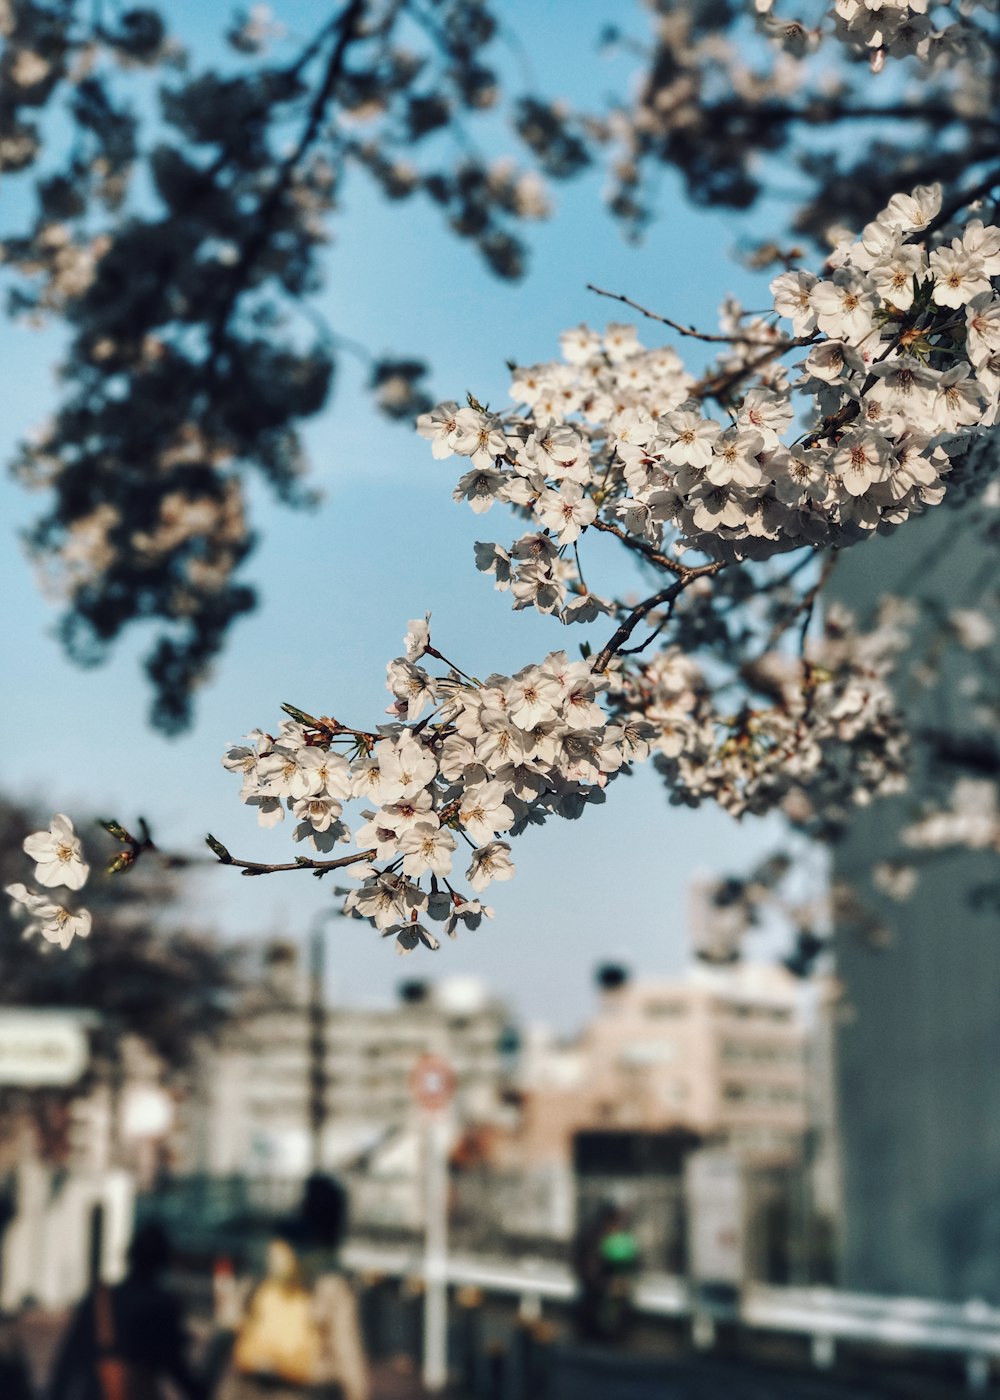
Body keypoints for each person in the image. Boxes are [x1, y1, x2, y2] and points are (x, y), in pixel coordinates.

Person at [214, 1175, 368, 1400]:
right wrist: (357, 1393)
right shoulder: (331, 1277)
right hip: (303, 1390)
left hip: (249, 1387)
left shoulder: (269, 1258)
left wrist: (204, 1380)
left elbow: (227, 1323)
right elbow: (346, 1352)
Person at [47, 1221, 207, 1400]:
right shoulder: (162, 1306)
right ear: (162, 1261)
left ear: (129, 1255)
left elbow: (68, 1362)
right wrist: (199, 1391)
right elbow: (175, 1366)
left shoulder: (100, 1299)